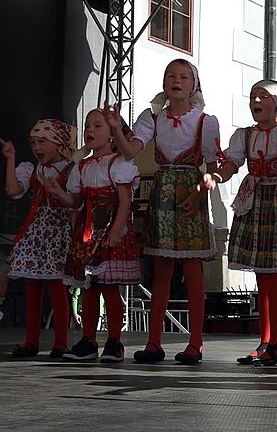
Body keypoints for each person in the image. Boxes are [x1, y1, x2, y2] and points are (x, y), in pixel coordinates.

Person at [108, 59, 221, 364]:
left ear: (193, 84)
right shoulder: (152, 118)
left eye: (184, 76)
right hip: (162, 187)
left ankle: (195, 343)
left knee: (192, 269)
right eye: (171, 75)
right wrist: (117, 129)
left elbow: (214, 168)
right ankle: (154, 342)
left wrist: (206, 184)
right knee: (161, 269)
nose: (177, 80)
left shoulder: (205, 121)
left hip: (189, 190)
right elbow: (130, 150)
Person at [202, 80, 277, 366]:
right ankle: (266, 342)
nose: (256, 101)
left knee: (273, 277)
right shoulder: (244, 136)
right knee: (262, 278)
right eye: (253, 96)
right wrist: (216, 177)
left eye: (263, 96)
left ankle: (276, 342)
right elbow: (231, 165)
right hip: (255, 203)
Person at [46, 108, 140, 362]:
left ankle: (114, 342)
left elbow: (124, 202)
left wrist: (117, 230)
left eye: (98, 126)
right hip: (86, 233)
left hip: (109, 229)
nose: (90, 130)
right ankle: (88, 340)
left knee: (110, 288)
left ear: (112, 134)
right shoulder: (82, 166)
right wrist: (58, 191)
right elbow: (75, 201)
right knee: (89, 288)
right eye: (88, 126)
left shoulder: (119, 163)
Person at [0, 120, 77, 358]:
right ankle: (31, 341)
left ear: (59, 144)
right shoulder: (32, 169)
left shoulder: (72, 170)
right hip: (37, 232)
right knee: (32, 285)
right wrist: (10, 158)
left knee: (56, 287)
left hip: (59, 231)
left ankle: (61, 343)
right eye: (33, 143)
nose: (37, 147)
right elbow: (13, 190)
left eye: (42, 142)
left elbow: (76, 203)